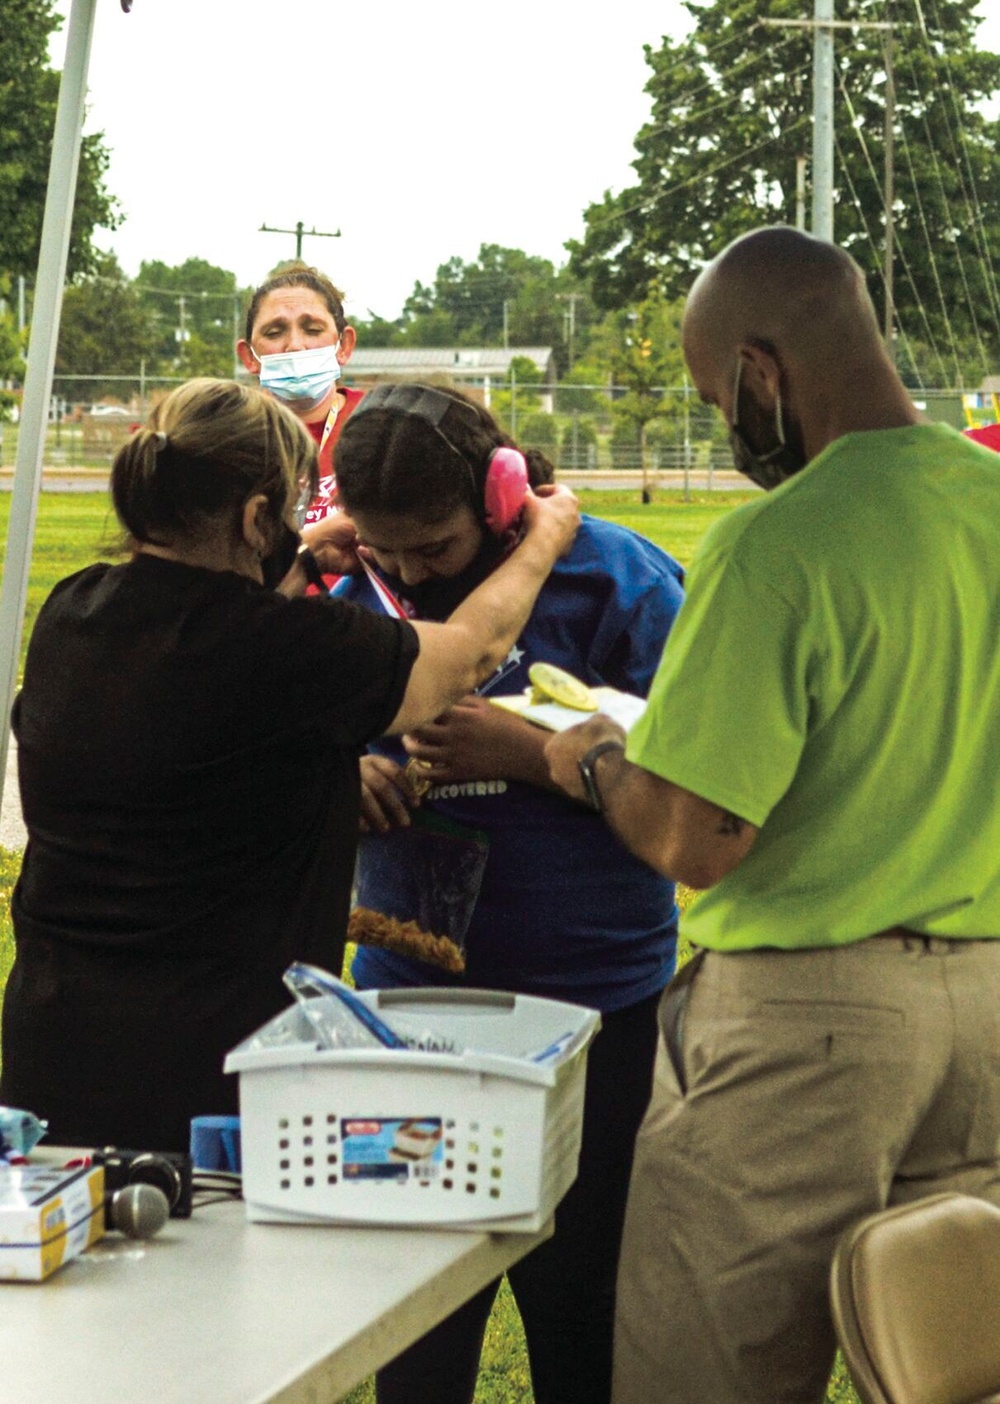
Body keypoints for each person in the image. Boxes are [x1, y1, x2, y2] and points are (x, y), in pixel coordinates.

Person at [544, 225, 1000, 1404]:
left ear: (758, 372)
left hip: (808, 1021)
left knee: (707, 1371)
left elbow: (694, 838)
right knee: (955, 1362)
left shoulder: (775, 541)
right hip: (989, 1007)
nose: (725, 426)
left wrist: (591, 758)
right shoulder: (989, 500)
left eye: (713, 399)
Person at [0, 378, 578, 1155]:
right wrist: (545, 537)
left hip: (54, 1043)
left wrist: (299, 559)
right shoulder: (287, 650)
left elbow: (199, 690)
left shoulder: (74, 610)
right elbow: (467, 653)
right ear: (253, 517)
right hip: (211, 1070)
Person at [332, 381, 686, 1404]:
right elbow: (278, 732)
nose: (407, 571)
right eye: (383, 547)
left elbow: (699, 780)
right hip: (411, 1014)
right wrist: (338, 778)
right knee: (417, 1320)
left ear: (498, 500)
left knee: (582, 1305)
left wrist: (529, 754)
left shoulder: (617, 581)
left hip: (593, 1009)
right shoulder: (361, 595)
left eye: (433, 549)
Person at [237, 262, 360, 526]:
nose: (295, 345)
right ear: (250, 357)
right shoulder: (230, 438)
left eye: (313, 330)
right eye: (274, 332)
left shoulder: (380, 424)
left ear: (344, 346)